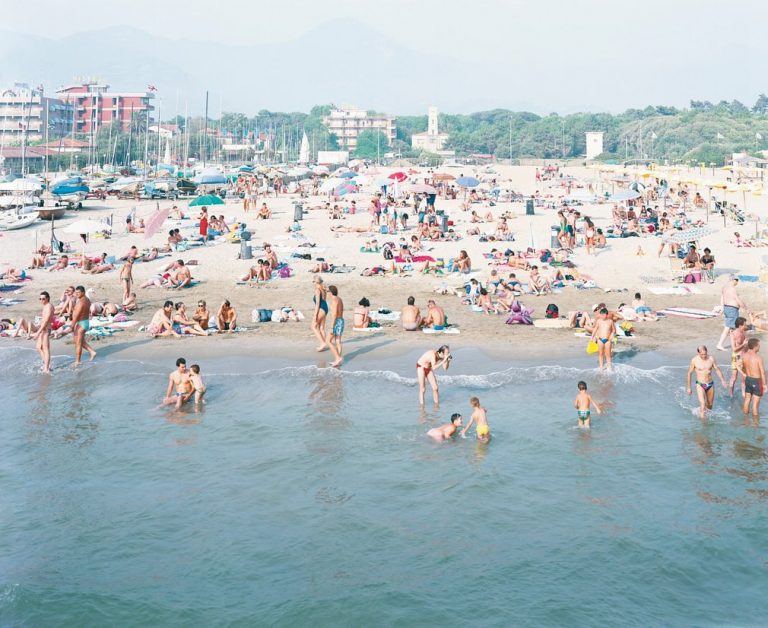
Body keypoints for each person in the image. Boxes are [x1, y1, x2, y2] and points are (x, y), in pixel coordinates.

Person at [686, 345, 727, 419]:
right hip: (700, 384)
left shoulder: (711, 359)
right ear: (698, 353)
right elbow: (689, 373)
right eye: (702, 354)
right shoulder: (694, 360)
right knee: (702, 404)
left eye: (705, 354)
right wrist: (689, 387)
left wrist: (722, 380)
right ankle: (703, 425)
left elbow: (717, 369)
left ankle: (704, 414)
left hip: (710, 384)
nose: (704, 356)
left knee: (710, 405)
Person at [717, 275, 745, 351]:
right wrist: (744, 307)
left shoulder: (724, 287)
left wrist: (722, 308)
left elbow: (722, 298)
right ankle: (720, 344)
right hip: (732, 309)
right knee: (728, 327)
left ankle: (735, 344)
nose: (737, 282)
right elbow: (737, 299)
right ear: (733, 280)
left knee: (731, 328)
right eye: (737, 280)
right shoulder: (732, 289)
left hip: (727, 308)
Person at [740, 338, 766, 419]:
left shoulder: (744, 355)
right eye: (758, 345)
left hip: (748, 379)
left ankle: (745, 419)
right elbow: (762, 373)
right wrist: (765, 385)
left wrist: (743, 373)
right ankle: (755, 424)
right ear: (755, 346)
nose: (759, 347)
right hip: (757, 381)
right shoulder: (758, 358)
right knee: (755, 404)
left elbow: (737, 365)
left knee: (747, 400)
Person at [71, 285, 97, 366]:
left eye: (78, 293)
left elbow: (76, 316)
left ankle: (77, 361)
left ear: (83, 292)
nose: (77, 294)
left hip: (81, 323)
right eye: (76, 292)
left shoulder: (81, 303)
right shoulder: (87, 300)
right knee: (79, 341)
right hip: (85, 321)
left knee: (78, 343)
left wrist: (72, 326)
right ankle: (92, 352)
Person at [33, 291, 54, 373]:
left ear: (47, 298)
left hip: (45, 329)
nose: (41, 300)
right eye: (40, 299)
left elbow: (46, 321)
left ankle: (46, 368)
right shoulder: (46, 306)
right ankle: (46, 363)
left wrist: (38, 332)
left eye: (43, 299)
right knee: (38, 347)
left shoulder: (48, 306)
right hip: (43, 329)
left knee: (46, 349)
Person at [729, 316, 749, 397]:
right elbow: (734, 349)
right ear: (740, 325)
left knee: (744, 377)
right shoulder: (733, 334)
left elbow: (746, 346)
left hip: (744, 356)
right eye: (744, 325)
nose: (746, 326)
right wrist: (743, 344)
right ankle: (731, 394)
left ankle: (743, 394)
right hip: (736, 356)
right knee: (734, 377)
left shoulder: (744, 332)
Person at [326, 285, 344, 367]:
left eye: (327, 291)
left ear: (330, 292)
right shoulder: (339, 299)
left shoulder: (333, 300)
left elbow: (334, 314)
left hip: (336, 321)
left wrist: (332, 327)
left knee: (328, 341)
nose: (326, 293)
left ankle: (337, 358)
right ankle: (338, 359)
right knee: (337, 341)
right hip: (341, 321)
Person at [312, 276, 328, 350]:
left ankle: (322, 343)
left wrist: (315, 315)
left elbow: (317, 303)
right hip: (325, 308)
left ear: (316, 282)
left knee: (313, 326)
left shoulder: (318, 290)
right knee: (321, 328)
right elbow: (324, 299)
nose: (313, 283)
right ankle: (324, 344)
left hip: (321, 308)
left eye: (313, 281)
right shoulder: (323, 289)